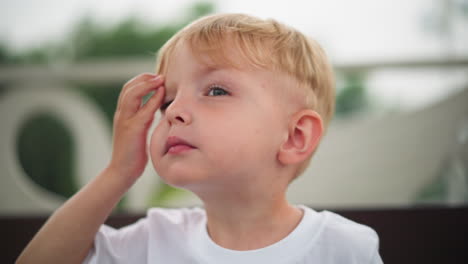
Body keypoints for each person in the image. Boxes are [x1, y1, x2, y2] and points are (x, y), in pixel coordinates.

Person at [17, 13, 383, 263]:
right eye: (169, 100)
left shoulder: (343, 248)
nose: (174, 111)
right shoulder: (150, 241)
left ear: (294, 136)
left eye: (216, 91)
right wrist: (119, 172)